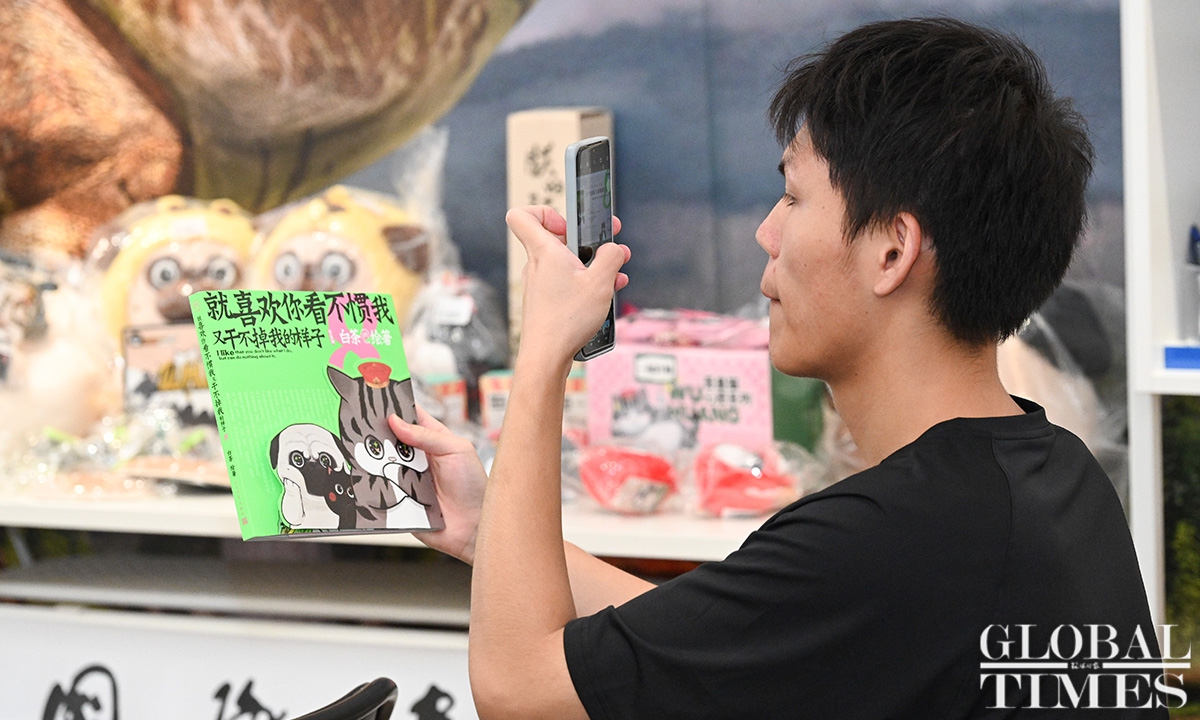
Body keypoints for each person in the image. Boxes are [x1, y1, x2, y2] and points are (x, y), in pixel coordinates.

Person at [388, 17, 1168, 719]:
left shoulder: (891, 537)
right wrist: (489, 529)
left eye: (793, 197)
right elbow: (734, 634)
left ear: (891, 251)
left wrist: (542, 355)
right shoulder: (1053, 476)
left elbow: (519, 691)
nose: (766, 232)